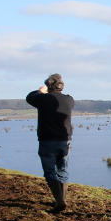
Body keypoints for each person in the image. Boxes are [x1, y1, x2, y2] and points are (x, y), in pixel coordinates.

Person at [26, 74, 74, 213]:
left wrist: (40, 91)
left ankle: (59, 201)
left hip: (47, 140)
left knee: (49, 171)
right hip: (65, 140)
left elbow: (29, 97)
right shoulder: (69, 100)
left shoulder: (42, 99)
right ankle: (62, 199)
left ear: (49, 86)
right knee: (62, 169)